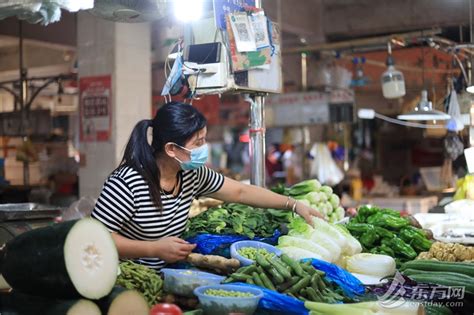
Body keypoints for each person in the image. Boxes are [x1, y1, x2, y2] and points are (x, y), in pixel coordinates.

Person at [91, 102, 323, 272]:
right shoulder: (127, 183)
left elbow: (240, 191)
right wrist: (153, 249)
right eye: (198, 142)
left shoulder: (191, 174)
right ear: (172, 149)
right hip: (127, 279)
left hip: (166, 276)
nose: (205, 147)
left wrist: (293, 204)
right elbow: (97, 238)